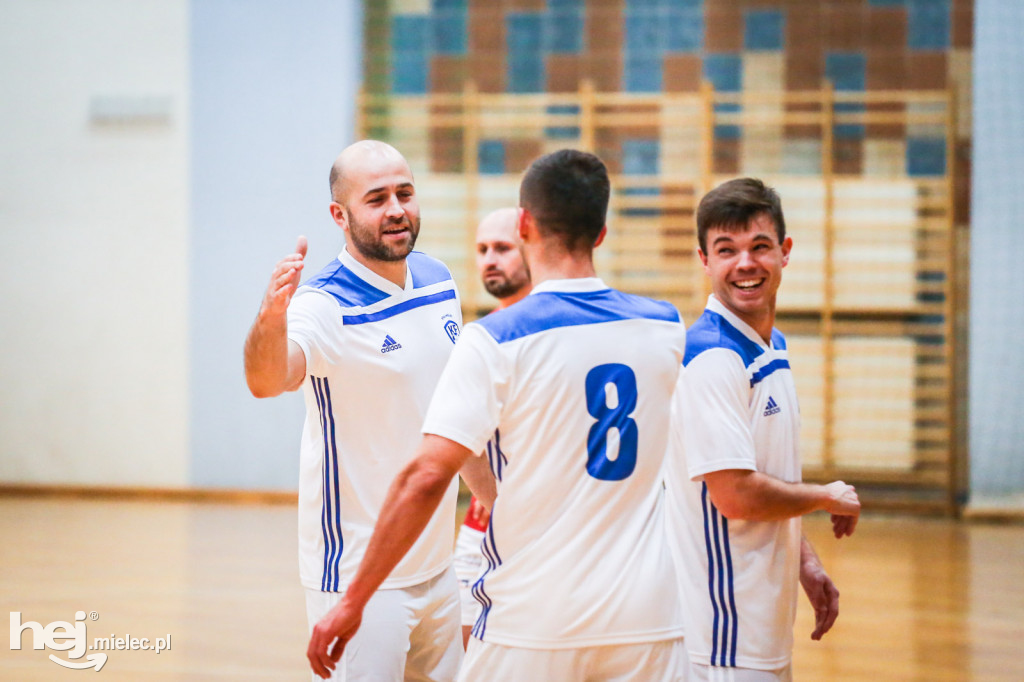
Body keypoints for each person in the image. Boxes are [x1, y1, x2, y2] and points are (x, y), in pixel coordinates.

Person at [308, 149, 689, 681]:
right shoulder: (667, 329)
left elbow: (424, 477)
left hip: (538, 614)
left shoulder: (496, 340)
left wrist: (353, 601)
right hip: (652, 614)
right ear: (601, 232)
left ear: (525, 225)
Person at [244, 140, 464, 681]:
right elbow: (267, 380)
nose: (396, 210)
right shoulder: (322, 304)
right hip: (359, 578)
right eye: (377, 199)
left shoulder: (439, 279)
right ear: (339, 215)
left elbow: (455, 416)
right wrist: (271, 318)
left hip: (440, 566)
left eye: (404, 193)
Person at [665, 177, 861, 682]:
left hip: (759, 628)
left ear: (785, 252)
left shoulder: (770, 347)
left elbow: (766, 474)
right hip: (722, 637)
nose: (745, 264)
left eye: (759, 247)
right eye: (726, 250)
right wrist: (825, 496)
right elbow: (736, 494)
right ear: (704, 260)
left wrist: (805, 559)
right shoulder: (712, 358)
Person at [453, 207, 532, 649]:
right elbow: (465, 445)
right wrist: (498, 503)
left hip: (542, 536)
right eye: (482, 250)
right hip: (481, 531)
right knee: (466, 660)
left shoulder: (552, 336)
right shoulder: (479, 338)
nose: (489, 259)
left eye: (502, 249)